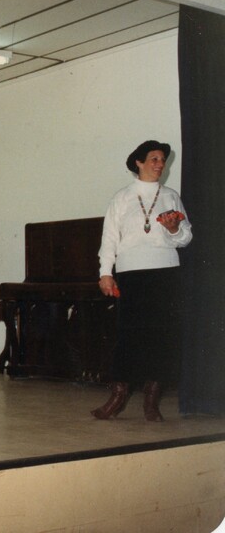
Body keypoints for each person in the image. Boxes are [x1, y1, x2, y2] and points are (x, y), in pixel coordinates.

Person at [92, 140, 192, 421]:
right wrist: (105, 273)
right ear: (139, 162)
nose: (160, 164)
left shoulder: (171, 196)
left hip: (165, 272)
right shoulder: (122, 197)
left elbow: (185, 238)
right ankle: (118, 397)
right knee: (129, 336)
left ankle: (151, 401)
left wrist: (174, 229)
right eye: (154, 159)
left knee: (163, 337)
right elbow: (109, 238)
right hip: (131, 273)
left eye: (162, 159)